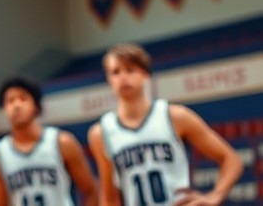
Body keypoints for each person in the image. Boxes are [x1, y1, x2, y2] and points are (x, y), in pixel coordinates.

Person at [88, 44, 242, 206]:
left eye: (130, 69)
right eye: (116, 72)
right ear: (109, 79)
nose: (123, 77)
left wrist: (215, 196)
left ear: (145, 74)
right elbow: (109, 197)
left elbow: (231, 160)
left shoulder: (175, 116)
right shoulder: (101, 132)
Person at [0, 77, 98, 206]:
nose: (16, 105)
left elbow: (91, 191)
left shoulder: (62, 142)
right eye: (10, 101)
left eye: (23, 98)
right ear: (4, 109)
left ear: (36, 106)